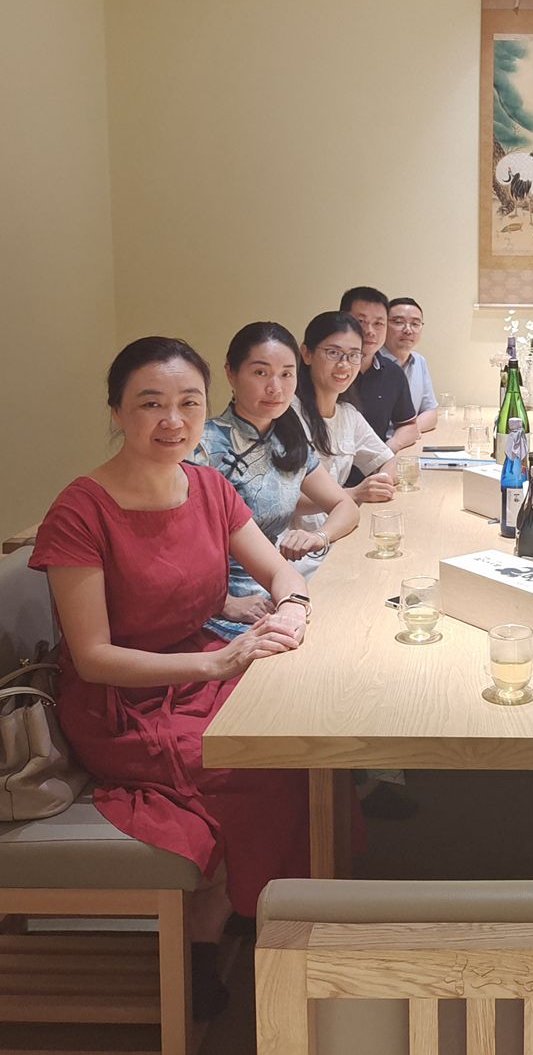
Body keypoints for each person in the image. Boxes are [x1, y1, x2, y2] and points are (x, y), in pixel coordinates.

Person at [27, 337, 311, 1017]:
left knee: (299, 742)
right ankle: (210, 939)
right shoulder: (81, 509)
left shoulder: (208, 487)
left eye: (189, 403)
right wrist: (218, 661)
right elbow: (94, 656)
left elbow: (278, 568)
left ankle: (259, 911)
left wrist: (294, 605)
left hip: (199, 672)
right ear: (117, 412)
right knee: (250, 765)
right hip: (122, 702)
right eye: (151, 404)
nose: (173, 420)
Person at [193, 322, 359, 639]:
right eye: (260, 373)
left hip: (280, 590)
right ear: (231, 373)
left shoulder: (289, 440)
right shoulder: (204, 446)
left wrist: (319, 537)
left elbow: (346, 506)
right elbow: (176, 549)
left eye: (286, 374)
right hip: (217, 604)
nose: (275, 387)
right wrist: (224, 602)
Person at [295, 310, 398, 506]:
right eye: (333, 353)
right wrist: (354, 493)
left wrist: (381, 482)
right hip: (306, 526)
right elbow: (283, 500)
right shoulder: (288, 414)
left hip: (341, 521)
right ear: (307, 354)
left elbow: (388, 460)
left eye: (353, 355)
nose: (344, 364)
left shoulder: (348, 414)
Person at [340, 286, 419, 477]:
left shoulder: (393, 373)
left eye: (378, 323)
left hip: (375, 472)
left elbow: (409, 425)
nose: (370, 331)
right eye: (361, 322)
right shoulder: (331, 373)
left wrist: (387, 450)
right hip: (330, 480)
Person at [382, 296, 438, 434]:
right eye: (398, 322)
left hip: (404, 442)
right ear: (383, 324)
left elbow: (431, 413)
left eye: (415, 324)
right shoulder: (372, 362)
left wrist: (407, 433)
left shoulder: (419, 361)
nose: (408, 330)